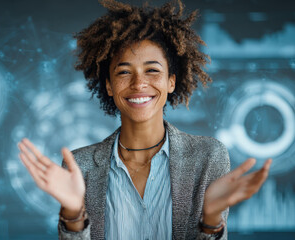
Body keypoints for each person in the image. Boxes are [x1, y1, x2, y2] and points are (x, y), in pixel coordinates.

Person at [17, 0, 272, 239]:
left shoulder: (208, 157)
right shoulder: (79, 166)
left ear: (171, 81)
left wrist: (212, 219)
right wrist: (73, 215)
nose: (139, 83)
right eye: (124, 72)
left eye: (152, 70)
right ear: (108, 85)